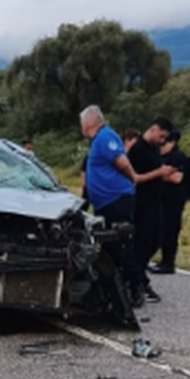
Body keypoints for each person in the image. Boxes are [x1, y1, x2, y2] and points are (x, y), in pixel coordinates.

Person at [80, 105, 146, 307]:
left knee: (122, 245)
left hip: (116, 200)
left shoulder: (105, 137)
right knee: (108, 248)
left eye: (82, 123)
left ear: (89, 122)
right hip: (106, 203)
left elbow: (121, 161)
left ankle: (136, 287)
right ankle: (113, 289)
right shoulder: (97, 140)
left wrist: (133, 177)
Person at [127, 117, 176, 303]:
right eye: (161, 136)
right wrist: (159, 173)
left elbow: (156, 170)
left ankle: (140, 276)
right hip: (141, 202)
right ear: (153, 129)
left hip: (156, 200)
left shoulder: (155, 149)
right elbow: (135, 178)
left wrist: (165, 172)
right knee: (142, 242)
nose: (162, 141)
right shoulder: (137, 150)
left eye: (165, 138)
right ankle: (136, 282)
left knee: (156, 240)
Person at [150, 131, 187, 274]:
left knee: (171, 231)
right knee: (160, 230)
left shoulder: (178, 157)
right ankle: (162, 260)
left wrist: (155, 175)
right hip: (161, 199)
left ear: (173, 143)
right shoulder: (161, 157)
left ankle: (169, 263)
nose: (161, 147)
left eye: (164, 144)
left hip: (174, 200)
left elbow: (177, 178)